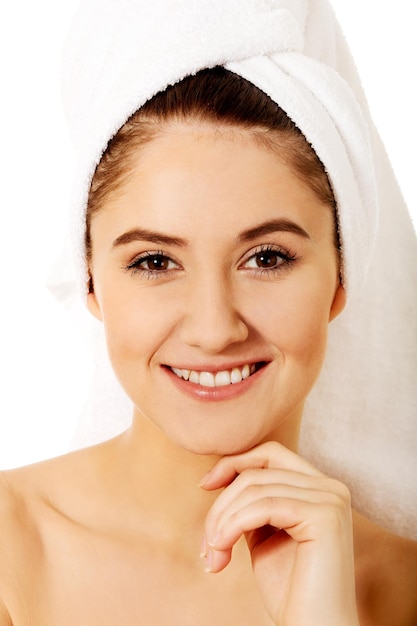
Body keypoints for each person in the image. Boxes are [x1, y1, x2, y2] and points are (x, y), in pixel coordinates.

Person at [0, 1, 416, 624]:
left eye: (267, 257)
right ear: (91, 281)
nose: (215, 328)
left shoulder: (402, 586)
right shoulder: (12, 553)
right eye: (154, 262)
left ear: (340, 278)